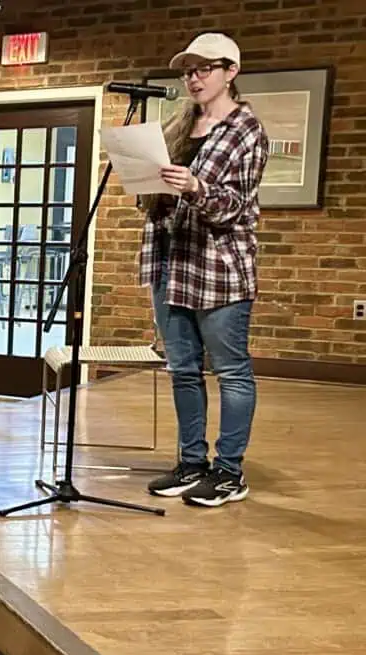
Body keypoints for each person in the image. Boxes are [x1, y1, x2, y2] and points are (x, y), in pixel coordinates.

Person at [140, 32, 269, 508]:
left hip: (219, 269)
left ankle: (229, 471)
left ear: (230, 72)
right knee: (183, 370)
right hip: (170, 263)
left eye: (203, 69)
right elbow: (154, 197)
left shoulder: (246, 130)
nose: (193, 78)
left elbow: (235, 206)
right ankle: (191, 462)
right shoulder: (178, 124)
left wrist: (195, 186)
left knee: (232, 371)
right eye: (187, 70)